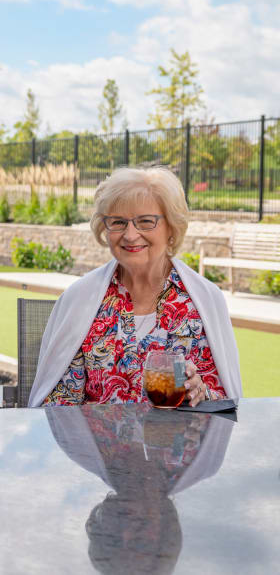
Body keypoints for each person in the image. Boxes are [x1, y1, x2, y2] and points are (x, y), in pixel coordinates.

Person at [29, 166, 242, 407]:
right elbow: (57, 404)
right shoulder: (79, 299)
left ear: (171, 227)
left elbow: (226, 403)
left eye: (145, 222)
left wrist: (201, 392)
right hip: (94, 444)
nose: (130, 235)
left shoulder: (204, 300)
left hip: (178, 442)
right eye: (118, 222)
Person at [46, 403, 233, 574]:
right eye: (141, 544)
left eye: (114, 542)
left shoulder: (74, 442)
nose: (126, 532)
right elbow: (225, 382)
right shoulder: (206, 459)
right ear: (166, 535)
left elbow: (50, 378)